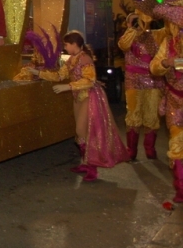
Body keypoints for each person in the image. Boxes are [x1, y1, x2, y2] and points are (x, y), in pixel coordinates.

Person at [33, 31, 129, 181]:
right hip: (79, 98)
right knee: (80, 133)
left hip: (89, 97)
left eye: (66, 44)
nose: (65, 47)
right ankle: (86, 163)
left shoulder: (84, 59)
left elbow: (90, 80)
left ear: (74, 44)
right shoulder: (72, 59)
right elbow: (59, 75)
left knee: (85, 131)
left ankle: (92, 168)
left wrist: (67, 87)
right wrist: (38, 73)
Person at [119, 0, 168, 161]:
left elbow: (172, 37)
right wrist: (135, 28)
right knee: (133, 115)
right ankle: (131, 150)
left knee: (152, 116)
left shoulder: (158, 35)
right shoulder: (130, 34)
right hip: (133, 80)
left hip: (154, 81)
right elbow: (123, 45)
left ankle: (150, 148)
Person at [149, 0, 183, 201]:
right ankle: (181, 189)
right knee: (176, 144)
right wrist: (166, 64)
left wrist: (178, 61)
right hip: (173, 99)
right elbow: (155, 66)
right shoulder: (167, 43)